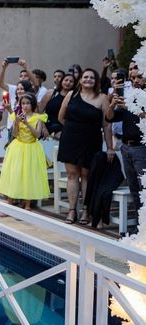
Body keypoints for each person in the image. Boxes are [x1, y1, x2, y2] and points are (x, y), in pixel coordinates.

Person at [57, 68, 113, 224]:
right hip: (71, 139)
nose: (88, 79)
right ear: (80, 80)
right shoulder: (71, 95)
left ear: (96, 81)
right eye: (85, 77)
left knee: (86, 175)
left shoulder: (102, 98)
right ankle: (72, 210)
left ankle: (85, 210)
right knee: (72, 175)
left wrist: (109, 147)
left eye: (92, 77)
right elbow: (61, 117)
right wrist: (73, 129)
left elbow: (107, 125)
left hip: (91, 140)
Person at [0, 93, 50, 211]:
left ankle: (27, 204)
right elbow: (15, 134)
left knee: (29, 174)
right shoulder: (17, 116)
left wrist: (27, 123)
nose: (25, 106)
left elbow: (37, 135)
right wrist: (16, 122)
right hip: (18, 147)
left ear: (33, 105)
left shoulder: (38, 117)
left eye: (28, 103)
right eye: (23, 103)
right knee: (14, 173)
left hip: (32, 148)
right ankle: (10, 202)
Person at [106, 72, 146, 213]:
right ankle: (139, 225)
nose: (134, 81)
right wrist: (112, 105)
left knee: (144, 188)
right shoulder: (130, 97)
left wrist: (129, 107)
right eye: (133, 78)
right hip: (126, 147)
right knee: (134, 188)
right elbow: (110, 117)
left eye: (139, 77)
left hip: (142, 148)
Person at [38, 72, 76, 138]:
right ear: (62, 81)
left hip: (63, 128)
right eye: (66, 80)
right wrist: (43, 127)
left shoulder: (75, 97)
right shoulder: (51, 93)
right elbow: (39, 112)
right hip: (46, 126)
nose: (68, 83)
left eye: (71, 81)